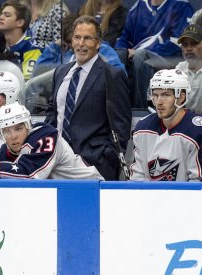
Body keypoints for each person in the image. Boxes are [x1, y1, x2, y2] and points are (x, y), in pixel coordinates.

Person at [44, 15, 131, 181]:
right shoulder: (61, 72)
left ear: (98, 43)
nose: (81, 43)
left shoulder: (112, 75)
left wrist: (106, 159)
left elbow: (121, 125)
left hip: (92, 165)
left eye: (87, 38)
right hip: (57, 161)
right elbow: (53, 113)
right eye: (77, 37)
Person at [0, 102, 103, 186]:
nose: (13, 136)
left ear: (28, 126)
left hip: (92, 189)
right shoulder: (6, 149)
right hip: (64, 194)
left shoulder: (47, 135)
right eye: (7, 131)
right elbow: (1, 181)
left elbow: (29, 175)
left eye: (18, 129)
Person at [130, 69, 202, 181]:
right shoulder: (142, 128)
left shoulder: (200, 131)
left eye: (165, 95)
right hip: (150, 197)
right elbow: (137, 177)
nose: (158, 102)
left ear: (181, 97)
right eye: (155, 95)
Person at [115, 0, 194, 108]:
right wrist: (122, 51)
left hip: (169, 59)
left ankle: (141, 110)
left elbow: (178, 43)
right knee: (117, 55)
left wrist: (142, 51)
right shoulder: (138, 6)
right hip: (137, 56)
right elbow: (124, 38)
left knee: (141, 56)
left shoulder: (181, 5)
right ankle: (116, 109)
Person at [0, 0, 41, 80]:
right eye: (1, 14)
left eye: (7, 15)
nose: (0, 17)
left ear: (20, 22)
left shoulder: (30, 46)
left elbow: (27, 80)